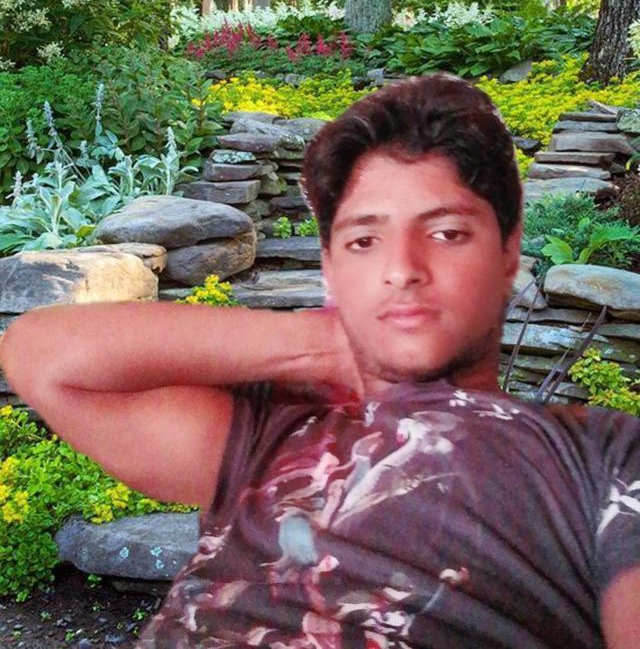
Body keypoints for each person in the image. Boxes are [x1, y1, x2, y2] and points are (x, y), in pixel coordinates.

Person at [1, 73, 639, 648]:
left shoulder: (603, 457)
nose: (401, 270)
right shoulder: (268, 431)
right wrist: (323, 344)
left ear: (508, 253)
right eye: (364, 241)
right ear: (330, 270)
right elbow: (39, 355)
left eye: (446, 233)